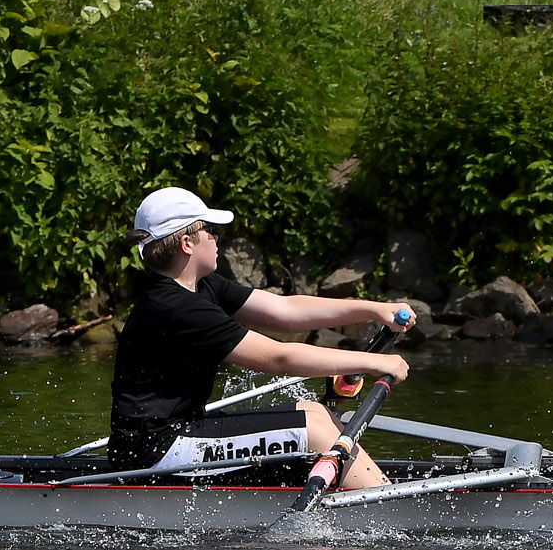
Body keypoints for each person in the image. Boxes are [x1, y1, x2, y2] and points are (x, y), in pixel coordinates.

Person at [108, 187, 415, 487]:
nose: (217, 239)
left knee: (314, 411)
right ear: (187, 243)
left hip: (178, 435)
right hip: (155, 454)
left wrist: (375, 310)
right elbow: (279, 358)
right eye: (211, 230)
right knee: (315, 428)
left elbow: (285, 310)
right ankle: (395, 510)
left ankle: (376, 489)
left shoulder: (203, 286)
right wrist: (375, 362)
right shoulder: (177, 307)